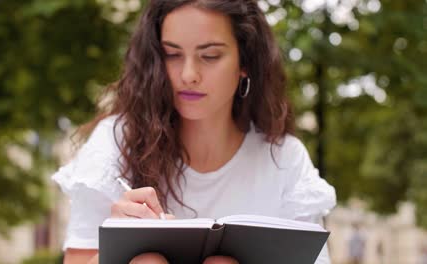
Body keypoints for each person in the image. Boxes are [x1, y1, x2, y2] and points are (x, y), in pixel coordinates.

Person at [52, 0, 337, 263]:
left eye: (210, 56)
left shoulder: (283, 158)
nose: (189, 74)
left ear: (245, 63)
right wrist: (114, 242)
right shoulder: (115, 142)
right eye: (172, 54)